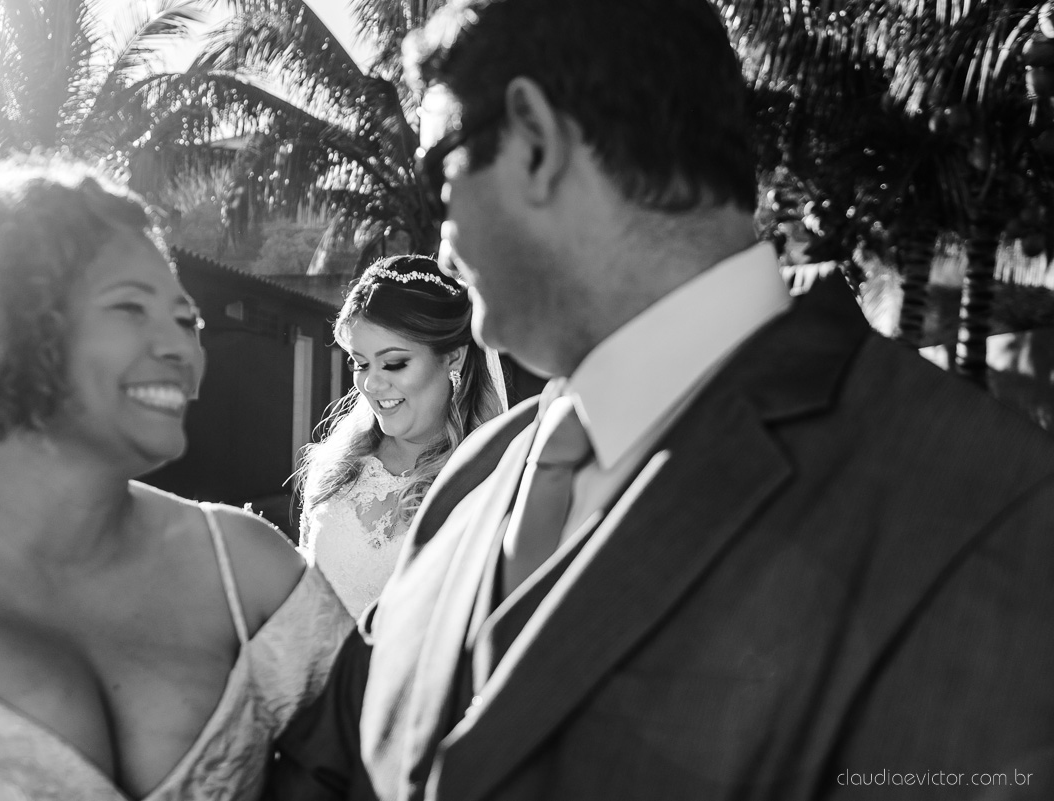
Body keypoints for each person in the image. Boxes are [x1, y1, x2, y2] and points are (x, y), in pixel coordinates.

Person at [269, 0, 1054, 799]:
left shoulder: (991, 513)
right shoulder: (473, 478)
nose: (438, 242)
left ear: (536, 143)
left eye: (442, 174)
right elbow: (328, 764)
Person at [0, 156, 352, 801]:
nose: (180, 347)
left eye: (186, 319)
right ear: (3, 326)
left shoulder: (249, 572)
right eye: (129, 308)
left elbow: (374, 772)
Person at [296, 255, 507, 617]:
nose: (371, 384)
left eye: (394, 363)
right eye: (359, 363)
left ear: (453, 357)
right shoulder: (335, 467)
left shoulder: (489, 479)